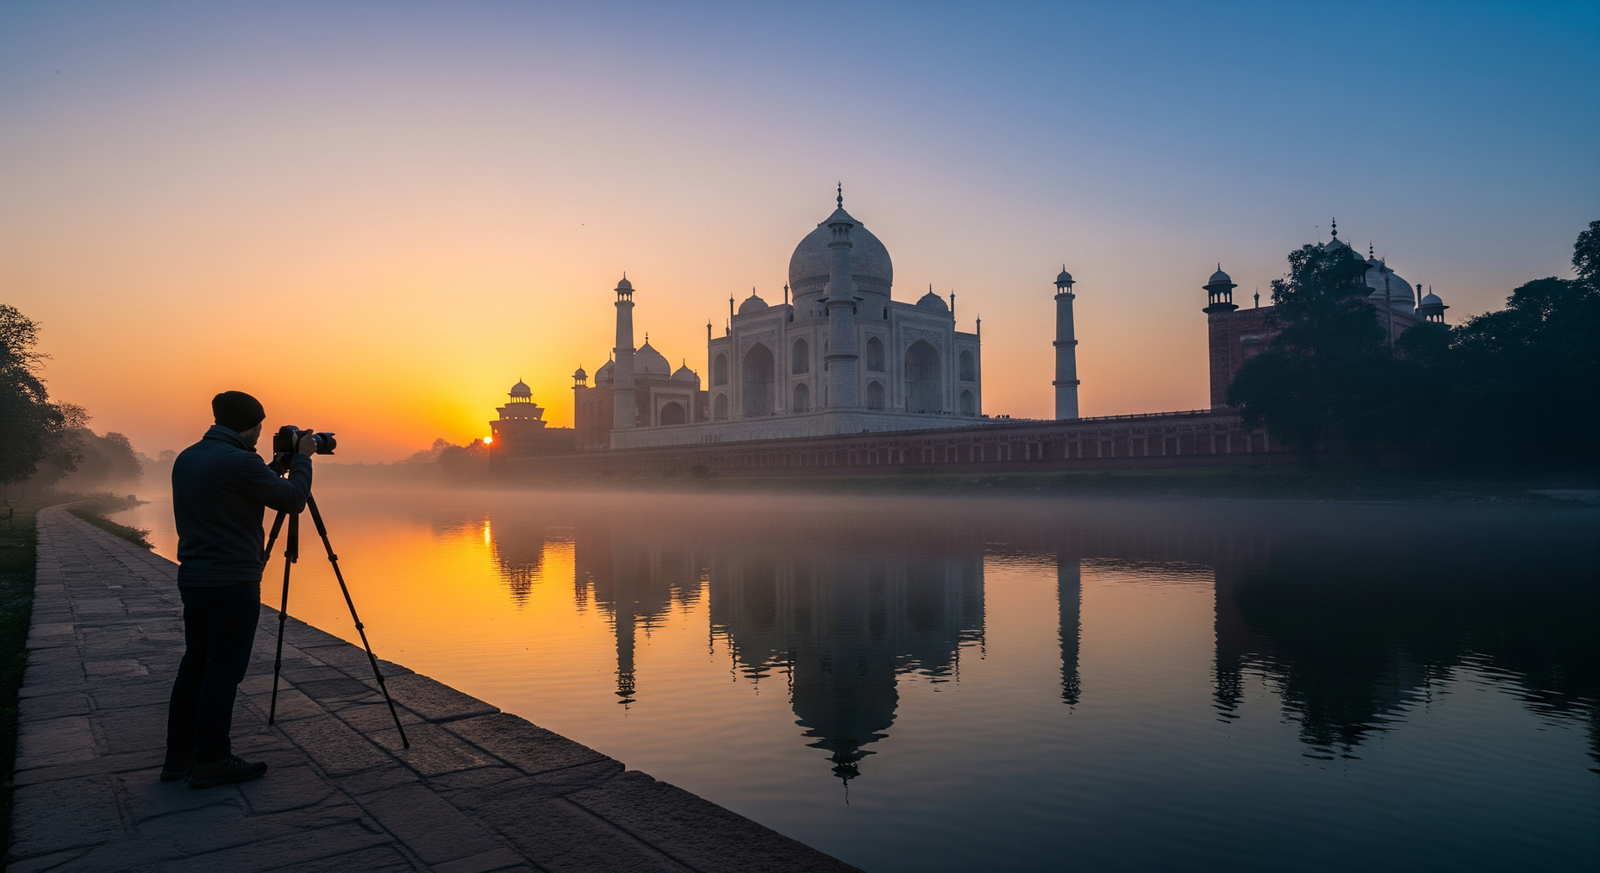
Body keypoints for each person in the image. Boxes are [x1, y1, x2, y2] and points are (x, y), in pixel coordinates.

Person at [161, 391, 315, 789]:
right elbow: (294, 500)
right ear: (251, 425)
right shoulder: (241, 461)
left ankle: (178, 759)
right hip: (232, 581)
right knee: (222, 671)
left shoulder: (189, 457)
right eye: (260, 428)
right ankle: (212, 760)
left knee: (195, 664)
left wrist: (271, 468)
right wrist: (302, 460)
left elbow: (232, 487)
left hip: (194, 578)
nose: (262, 435)